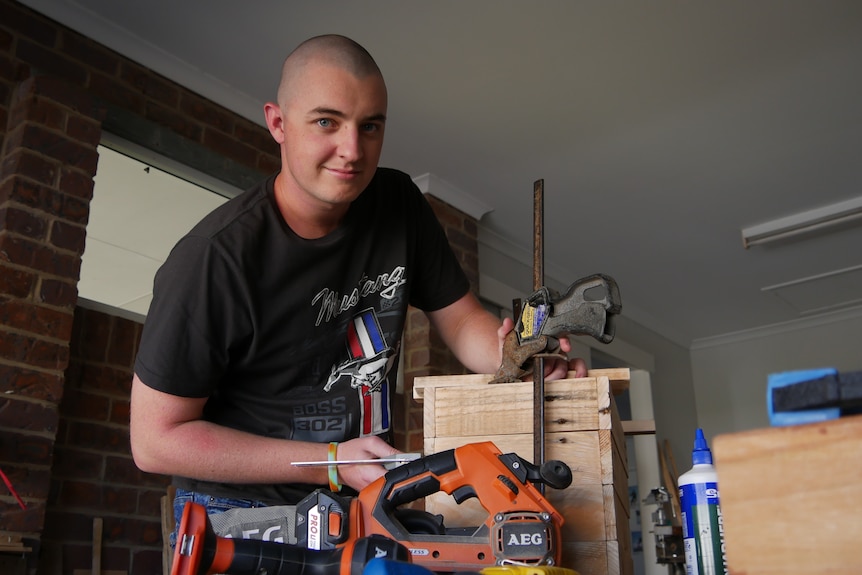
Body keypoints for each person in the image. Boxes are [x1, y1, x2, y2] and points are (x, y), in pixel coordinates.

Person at [129, 34, 586, 543]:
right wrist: (328, 462)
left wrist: (514, 358)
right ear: (278, 123)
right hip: (238, 517)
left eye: (370, 127)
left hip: (361, 503)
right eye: (327, 122)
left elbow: (460, 321)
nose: (352, 150)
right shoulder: (214, 260)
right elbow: (154, 441)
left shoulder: (399, 205)